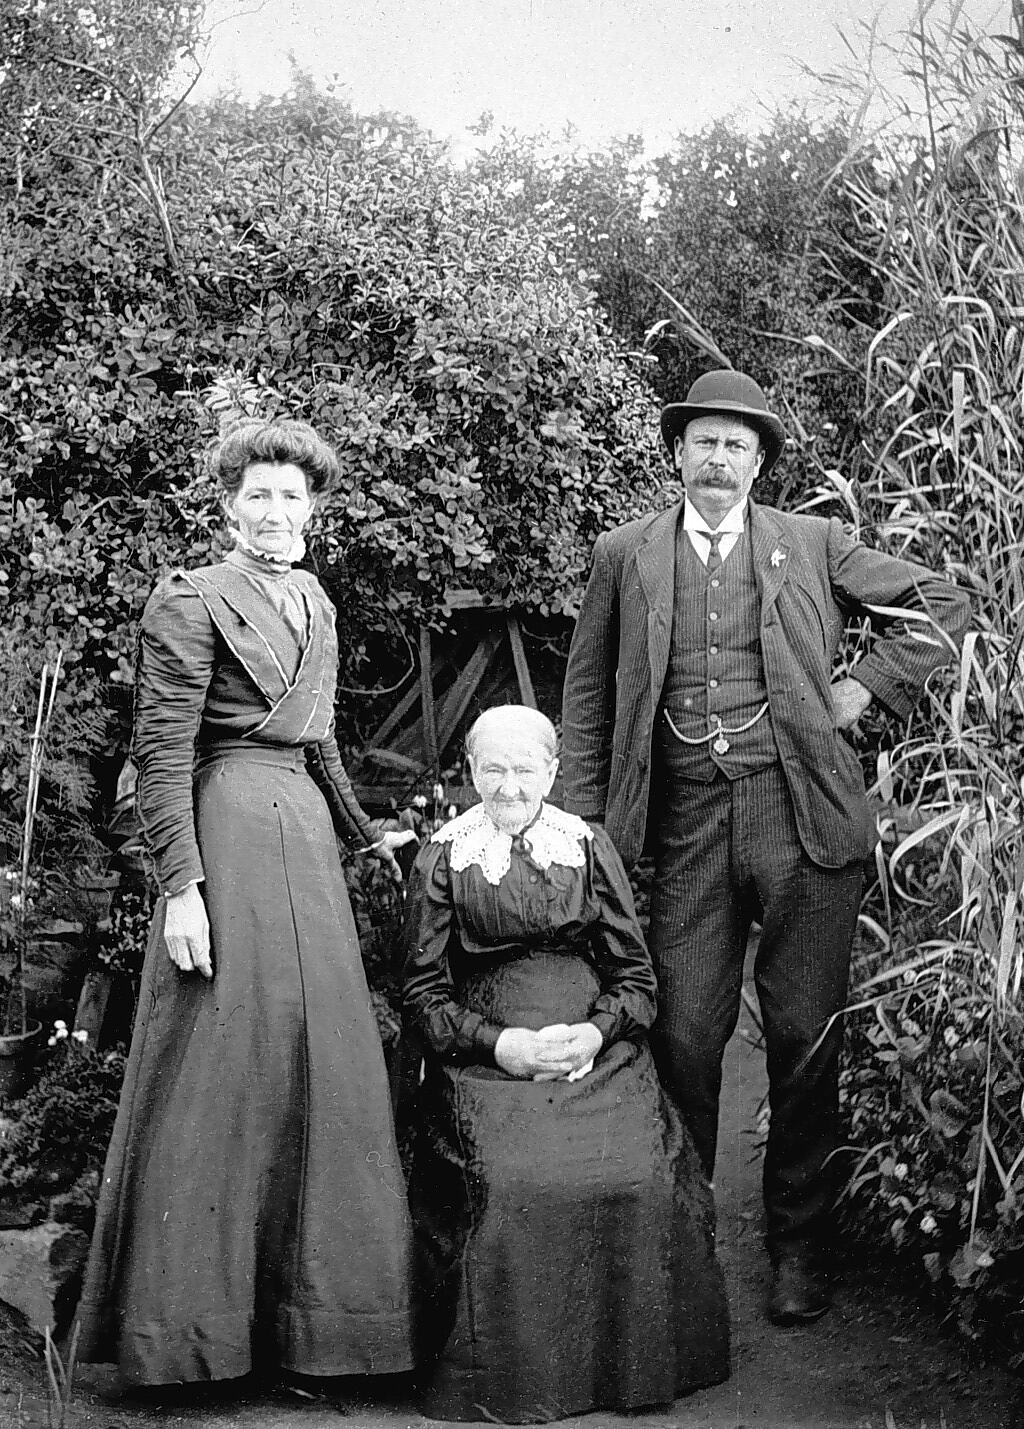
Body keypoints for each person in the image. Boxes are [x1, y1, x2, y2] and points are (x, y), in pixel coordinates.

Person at [560, 370, 970, 1325]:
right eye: (704, 441)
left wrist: (865, 685)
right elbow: (586, 697)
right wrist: (583, 832)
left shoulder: (812, 543)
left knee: (803, 1036)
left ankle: (799, 1247)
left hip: (801, 818)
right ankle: (681, 1240)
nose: (718, 459)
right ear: (677, 453)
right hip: (685, 826)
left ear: (759, 464)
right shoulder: (625, 552)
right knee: (683, 1032)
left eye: (736, 446)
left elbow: (941, 601)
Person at [76, 418, 416, 1387]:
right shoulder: (191, 598)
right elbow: (160, 755)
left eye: (290, 496)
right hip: (224, 833)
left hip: (304, 841)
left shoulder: (315, 601)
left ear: (313, 510)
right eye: (257, 494)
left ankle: (320, 1331)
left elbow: (321, 741)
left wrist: (366, 835)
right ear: (228, 505)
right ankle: (193, 1338)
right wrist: (181, 890)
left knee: (323, 1064)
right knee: (227, 1064)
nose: (275, 511)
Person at [401, 705, 729, 1424]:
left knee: (638, 1172)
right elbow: (422, 995)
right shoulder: (444, 857)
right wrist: (500, 1045)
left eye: (525, 769)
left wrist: (593, 1033)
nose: (509, 786)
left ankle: (629, 1370)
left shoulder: (586, 845)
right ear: (470, 772)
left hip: (593, 1046)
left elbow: (636, 978)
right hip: (485, 1055)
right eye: (493, 769)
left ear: (552, 773)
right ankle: (519, 1382)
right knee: (515, 1182)